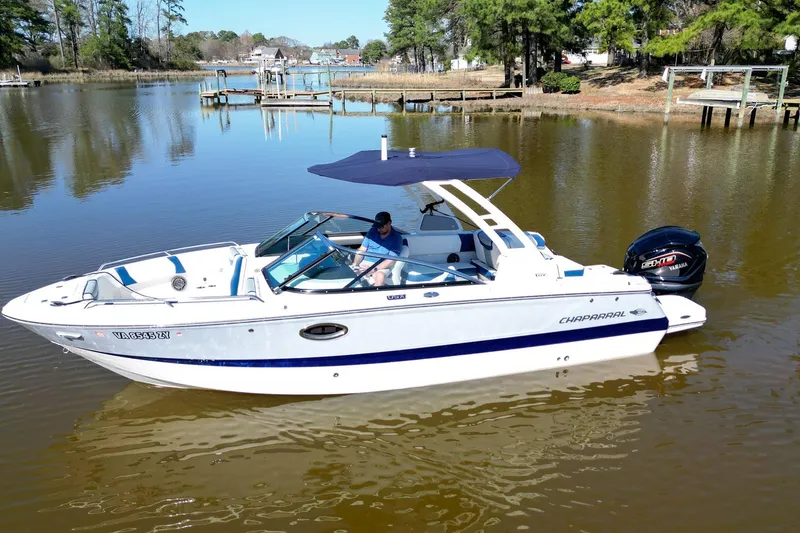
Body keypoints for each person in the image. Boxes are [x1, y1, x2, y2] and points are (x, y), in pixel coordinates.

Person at [352, 211, 403, 286]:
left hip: (381, 266)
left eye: (381, 227)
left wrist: (373, 269)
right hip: (365, 262)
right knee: (351, 271)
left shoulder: (397, 238)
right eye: (377, 226)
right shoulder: (372, 231)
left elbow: (390, 261)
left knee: (380, 276)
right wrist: (355, 264)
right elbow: (362, 249)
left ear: (389, 223)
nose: (379, 229)